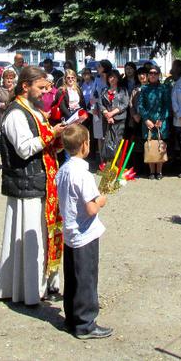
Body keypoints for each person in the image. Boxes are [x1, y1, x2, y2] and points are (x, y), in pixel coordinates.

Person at [0, 66, 65, 305]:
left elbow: (42, 145)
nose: (45, 92)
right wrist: (50, 134)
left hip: (42, 180)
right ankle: (30, 289)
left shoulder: (35, 110)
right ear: (25, 86)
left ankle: (46, 284)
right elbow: (24, 149)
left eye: (47, 88)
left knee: (45, 235)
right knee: (31, 238)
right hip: (26, 183)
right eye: (41, 87)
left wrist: (58, 140)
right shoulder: (16, 113)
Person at [56, 124, 112, 339]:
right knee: (87, 279)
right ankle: (85, 324)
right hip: (84, 233)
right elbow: (90, 208)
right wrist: (102, 201)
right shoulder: (83, 174)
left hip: (70, 232)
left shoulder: (63, 170)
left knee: (72, 278)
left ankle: (71, 318)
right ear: (85, 145)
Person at [139, 66, 171, 179]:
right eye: (151, 73)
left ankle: (160, 171)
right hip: (147, 122)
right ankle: (152, 171)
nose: (153, 75)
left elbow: (167, 105)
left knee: (160, 145)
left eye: (155, 73)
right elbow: (140, 105)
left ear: (159, 75)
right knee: (150, 145)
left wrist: (161, 119)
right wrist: (146, 119)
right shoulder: (144, 88)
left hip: (160, 122)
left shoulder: (164, 88)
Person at [99, 70, 129, 164]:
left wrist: (112, 114)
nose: (112, 79)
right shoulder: (104, 90)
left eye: (115, 77)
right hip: (107, 120)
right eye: (110, 77)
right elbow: (100, 104)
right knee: (107, 142)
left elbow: (125, 104)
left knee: (118, 143)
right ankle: (108, 166)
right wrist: (107, 115)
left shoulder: (123, 90)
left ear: (118, 78)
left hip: (119, 120)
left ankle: (118, 166)